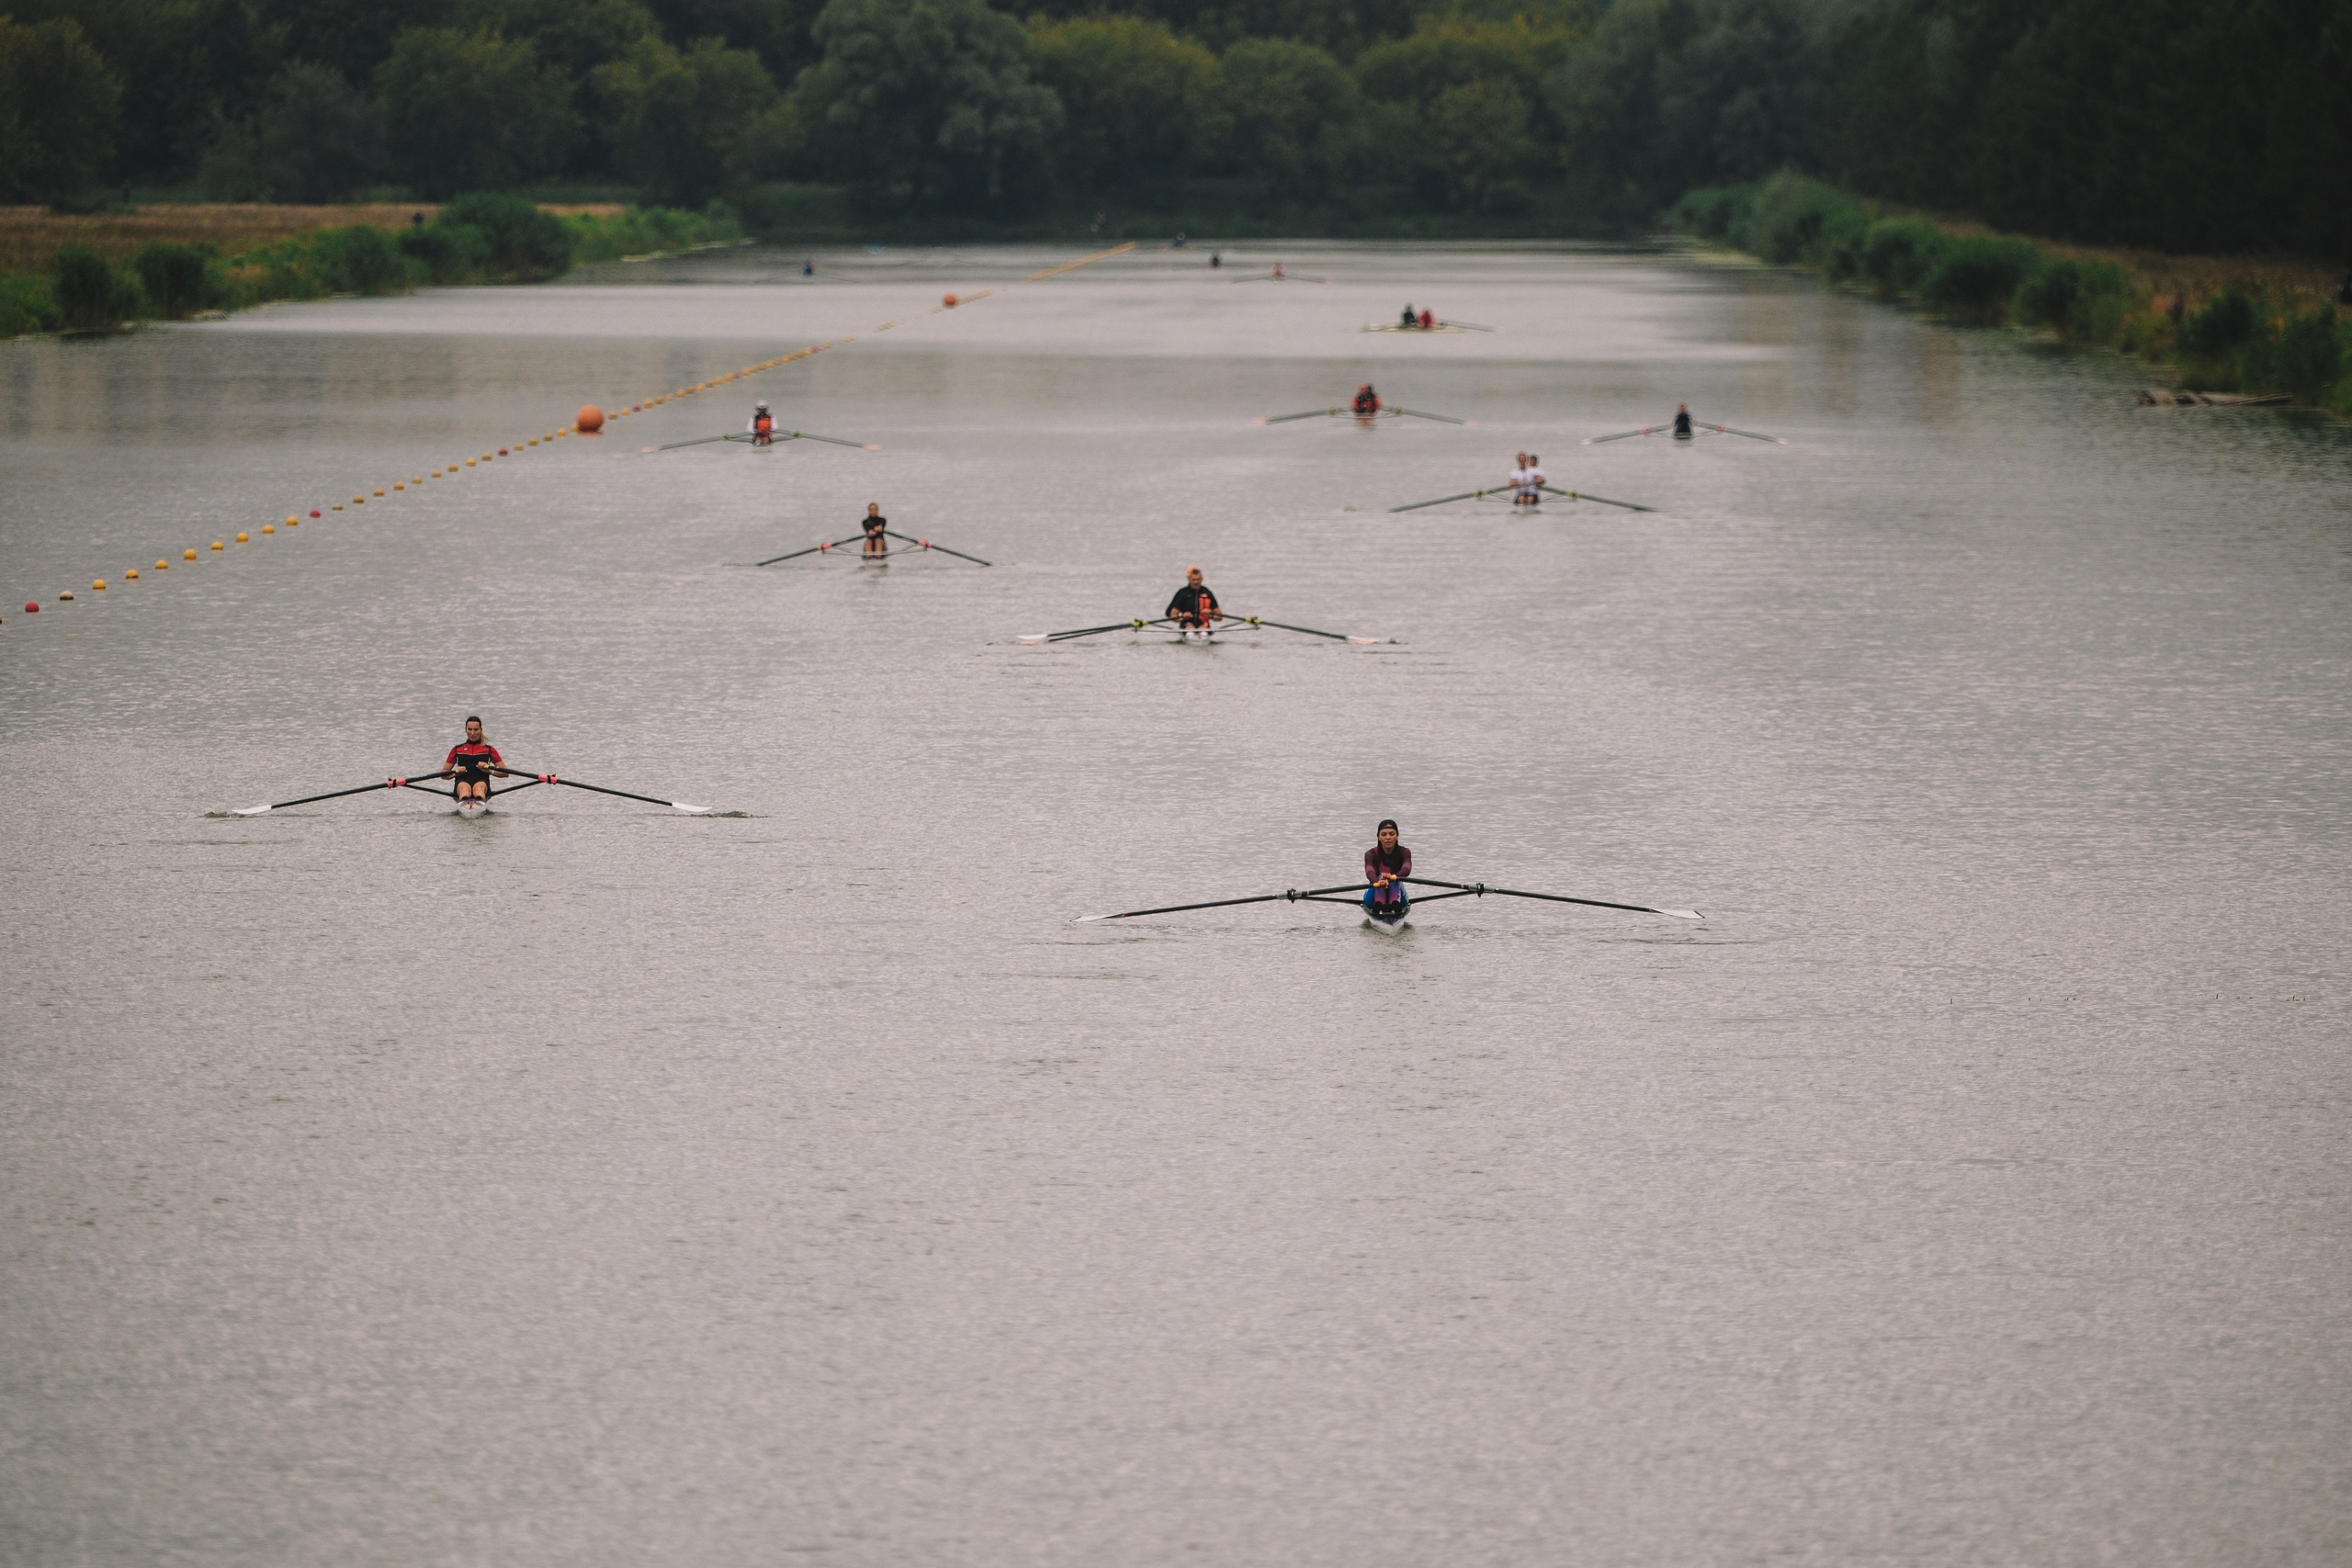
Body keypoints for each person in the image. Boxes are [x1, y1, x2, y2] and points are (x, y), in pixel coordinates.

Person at [445, 716, 504, 805]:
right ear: (466, 730)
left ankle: (478, 802)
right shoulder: (457, 749)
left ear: (481, 730)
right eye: (470, 729)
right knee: (465, 789)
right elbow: (444, 773)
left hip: (482, 783)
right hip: (461, 782)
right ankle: (466, 803)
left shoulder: (489, 750)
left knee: (479, 789)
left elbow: (505, 772)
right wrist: (455, 773)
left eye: (476, 730)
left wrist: (490, 771)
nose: (472, 733)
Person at [1363, 819, 1410, 917]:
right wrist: (1378, 881)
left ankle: (1394, 904)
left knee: (1394, 881)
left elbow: (1406, 869)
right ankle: (1379, 905)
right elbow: (1369, 871)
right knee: (1381, 876)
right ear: (1379, 837)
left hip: (1398, 892)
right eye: (1384, 834)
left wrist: (1393, 877)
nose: (1388, 838)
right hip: (1374, 891)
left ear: (1397, 835)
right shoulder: (1370, 854)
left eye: (1392, 834)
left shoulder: (1404, 852)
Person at [1166, 566, 1221, 631]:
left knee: (1203, 632)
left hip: (1204, 625)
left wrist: (1211, 615)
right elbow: (1172, 615)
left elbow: (1219, 616)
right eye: (1193, 580)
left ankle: (1202, 634)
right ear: (1189, 579)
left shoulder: (1207, 593)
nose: (1196, 582)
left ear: (1202, 579)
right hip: (1187, 624)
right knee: (1190, 631)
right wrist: (1182, 617)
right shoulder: (1183, 593)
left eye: (1198, 580)